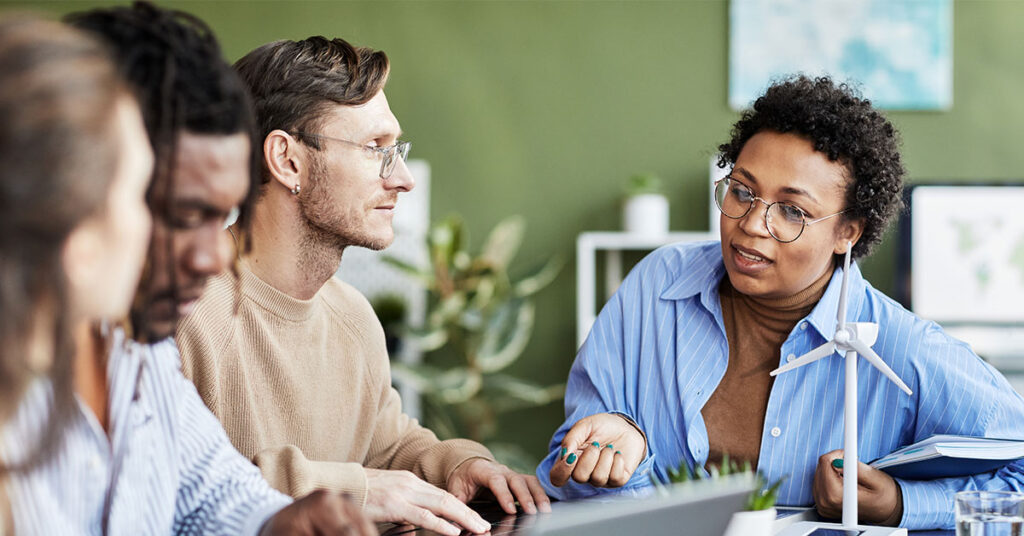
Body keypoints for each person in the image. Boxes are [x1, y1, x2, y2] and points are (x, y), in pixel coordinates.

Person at [536, 75, 1024, 531]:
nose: (750, 224)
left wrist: (899, 503)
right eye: (742, 191)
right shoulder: (656, 287)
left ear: (847, 232)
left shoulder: (905, 349)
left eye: (792, 211)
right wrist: (621, 456)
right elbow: (567, 468)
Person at [0, 4, 373, 534]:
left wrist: (274, 523)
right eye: (178, 213)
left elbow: (208, 487)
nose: (217, 254)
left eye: (223, 215)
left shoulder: (140, 348)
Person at [175, 36, 550, 536]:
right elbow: (178, 485)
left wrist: (457, 466)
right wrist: (361, 489)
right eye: (375, 149)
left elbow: (387, 446)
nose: (404, 179)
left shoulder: (352, 315)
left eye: (396, 150)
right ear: (287, 160)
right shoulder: (180, 313)